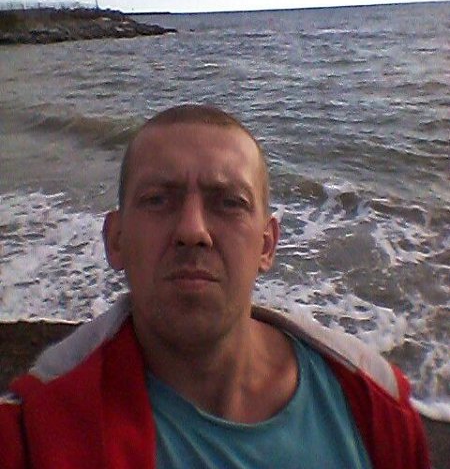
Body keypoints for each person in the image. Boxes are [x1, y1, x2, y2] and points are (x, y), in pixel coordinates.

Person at [0, 104, 430, 468]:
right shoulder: (34, 434)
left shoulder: (375, 408)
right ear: (116, 240)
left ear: (267, 245)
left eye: (228, 203)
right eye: (158, 199)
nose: (193, 231)